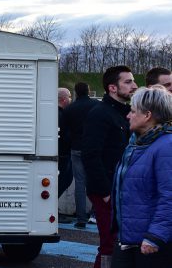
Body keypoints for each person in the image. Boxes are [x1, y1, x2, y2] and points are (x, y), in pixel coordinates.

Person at [111, 87, 172, 267]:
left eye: (133, 111)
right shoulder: (137, 144)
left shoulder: (166, 146)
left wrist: (155, 236)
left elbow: (169, 196)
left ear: (147, 115)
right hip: (130, 240)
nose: (128, 116)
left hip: (151, 244)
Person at [83, 65, 137, 268]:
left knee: (118, 244)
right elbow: (90, 155)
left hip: (120, 189)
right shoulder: (100, 114)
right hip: (108, 191)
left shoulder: (124, 113)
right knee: (110, 245)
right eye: (128, 81)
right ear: (112, 88)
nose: (134, 85)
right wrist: (105, 192)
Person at [63, 82, 99, 229]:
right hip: (94, 148)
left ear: (76, 93)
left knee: (80, 183)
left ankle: (81, 218)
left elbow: (66, 131)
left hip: (76, 148)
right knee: (97, 181)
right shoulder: (96, 105)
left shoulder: (69, 109)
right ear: (89, 90)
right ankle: (95, 214)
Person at [58, 88, 73, 200]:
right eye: (69, 96)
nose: (70, 99)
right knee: (65, 179)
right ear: (63, 99)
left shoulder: (55, 113)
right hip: (62, 154)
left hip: (61, 153)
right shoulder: (61, 115)